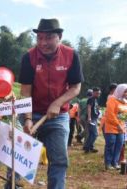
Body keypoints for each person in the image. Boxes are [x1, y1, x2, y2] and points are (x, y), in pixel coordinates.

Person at [19, 18, 83, 189]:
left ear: (59, 37)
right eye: (39, 38)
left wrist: (58, 103)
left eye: (48, 38)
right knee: (19, 157)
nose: (43, 43)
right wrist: (27, 118)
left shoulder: (71, 55)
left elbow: (76, 88)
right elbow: (25, 91)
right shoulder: (29, 57)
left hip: (58, 116)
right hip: (31, 112)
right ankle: (12, 185)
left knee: (59, 160)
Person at [104, 84, 127, 170]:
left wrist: (123, 126)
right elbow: (110, 115)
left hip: (121, 128)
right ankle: (108, 163)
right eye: (125, 91)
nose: (126, 94)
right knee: (111, 145)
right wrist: (118, 125)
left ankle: (115, 162)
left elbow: (124, 115)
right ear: (120, 91)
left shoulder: (125, 102)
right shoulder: (112, 100)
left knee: (119, 145)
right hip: (111, 127)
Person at [83, 87, 101, 153]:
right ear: (93, 93)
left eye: (99, 93)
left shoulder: (95, 99)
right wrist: (89, 118)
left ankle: (89, 147)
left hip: (95, 118)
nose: (98, 95)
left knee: (91, 134)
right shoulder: (90, 99)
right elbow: (89, 108)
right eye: (97, 93)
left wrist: (98, 110)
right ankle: (87, 147)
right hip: (91, 118)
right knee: (95, 134)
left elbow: (95, 108)